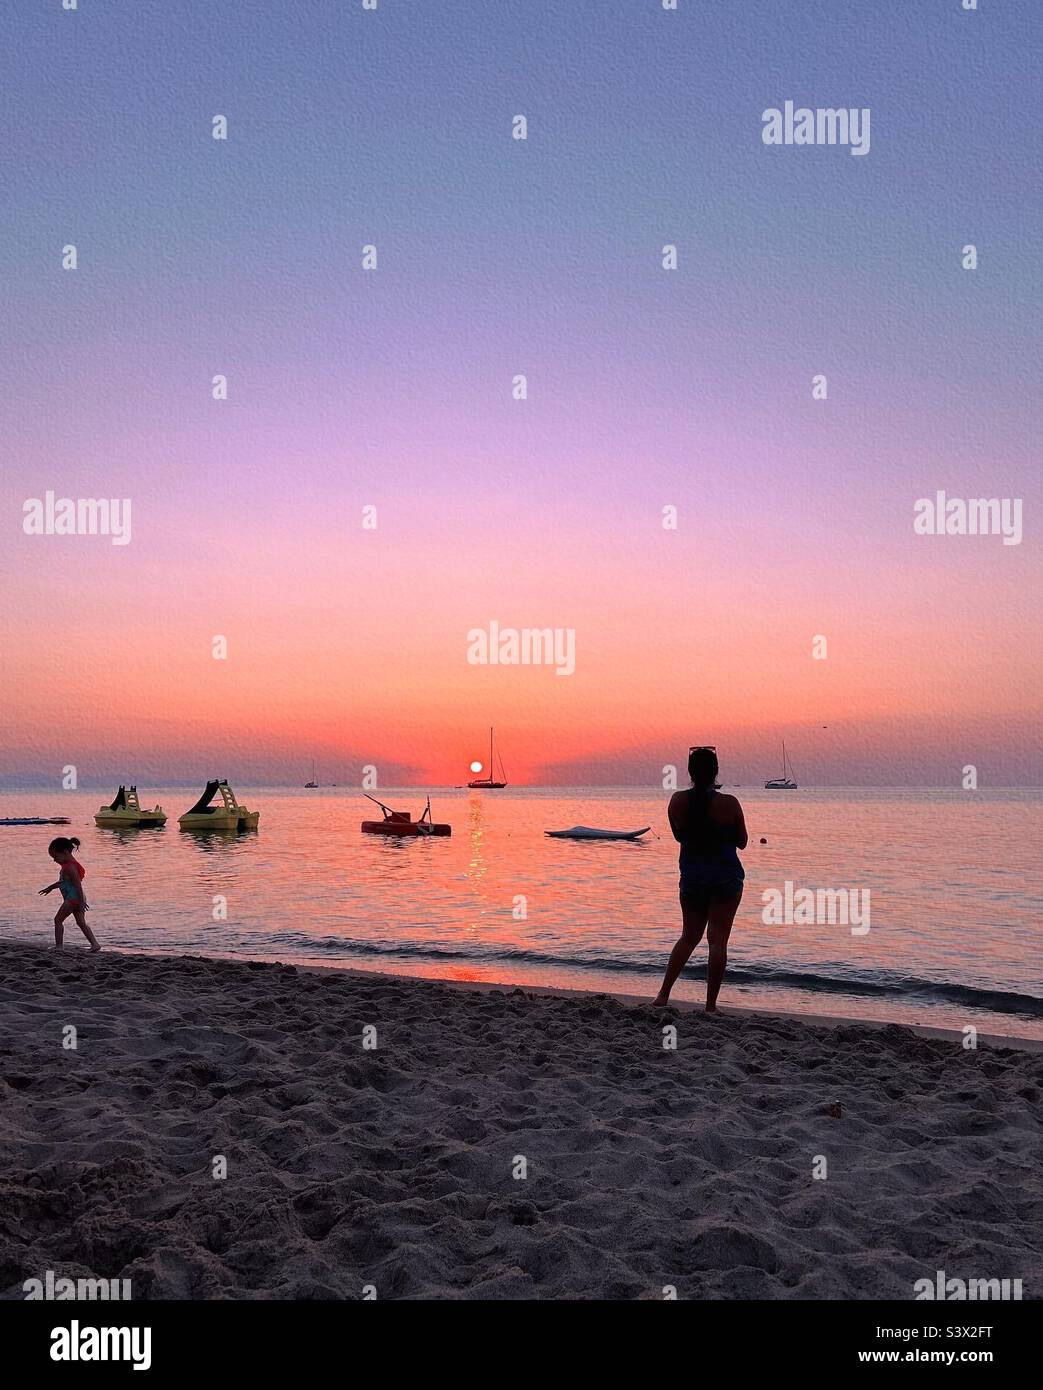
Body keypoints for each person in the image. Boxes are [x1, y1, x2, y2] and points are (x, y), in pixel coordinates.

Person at [653, 746, 746, 1011]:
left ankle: (663, 994)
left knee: (688, 937)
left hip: (692, 878)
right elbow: (743, 842)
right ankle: (710, 1006)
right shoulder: (729, 803)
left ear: (691, 772)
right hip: (725, 878)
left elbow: (679, 837)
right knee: (717, 941)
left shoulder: (677, 801)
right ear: (716, 771)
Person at [39, 836, 100, 952]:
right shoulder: (68, 866)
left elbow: (77, 884)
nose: (54, 860)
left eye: (56, 856)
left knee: (58, 920)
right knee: (81, 923)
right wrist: (50, 888)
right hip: (76, 898)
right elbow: (65, 883)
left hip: (73, 899)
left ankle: (59, 946)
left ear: (65, 852)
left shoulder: (70, 867)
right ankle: (95, 944)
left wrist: (81, 902)